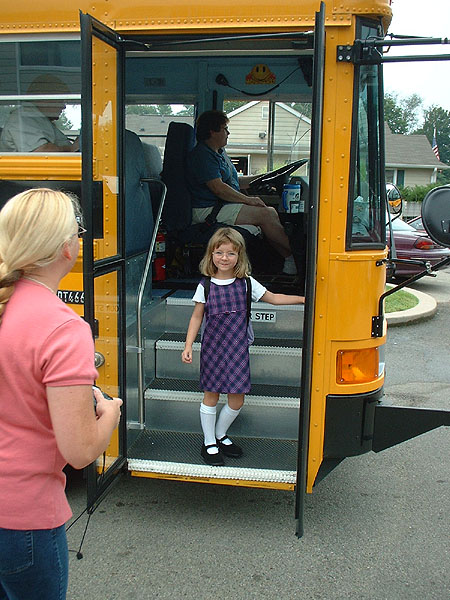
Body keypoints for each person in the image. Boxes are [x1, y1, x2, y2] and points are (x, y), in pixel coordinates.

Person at [0, 188, 122, 599]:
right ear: (67, 248)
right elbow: (81, 451)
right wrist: (110, 413)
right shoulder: (63, 327)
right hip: (21, 517)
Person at [181, 227, 304, 466]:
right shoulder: (205, 286)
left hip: (237, 350)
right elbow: (197, 317)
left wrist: (301, 299)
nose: (224, 258)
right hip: (213, 349)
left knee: (237, 399)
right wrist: (188, 345)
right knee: (211, 395)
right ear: (211, 255)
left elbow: (274, 298)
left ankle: (220, 434)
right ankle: (209, 443)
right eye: (219, 252)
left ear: (240, 257)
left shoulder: (247, 283)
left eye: (230, 253)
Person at [186, 110, 297, 275]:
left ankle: (289, 259)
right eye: (224, 129)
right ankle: (296, 258)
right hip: (207, 210)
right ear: (212, 131)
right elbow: (219, 188)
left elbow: (236, 182)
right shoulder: (202, 155)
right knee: (264, 214)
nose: (228, 133)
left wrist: (266, 176)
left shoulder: (220, 153)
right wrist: (248, 200)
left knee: (270, 211)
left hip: (221, 206)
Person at [0, 74, 79, 153]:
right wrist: (71, 148)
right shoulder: (23, 118)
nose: (63, 106)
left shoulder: (41, 120)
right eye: (60, 101)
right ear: (45, 98)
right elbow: (42, 152)